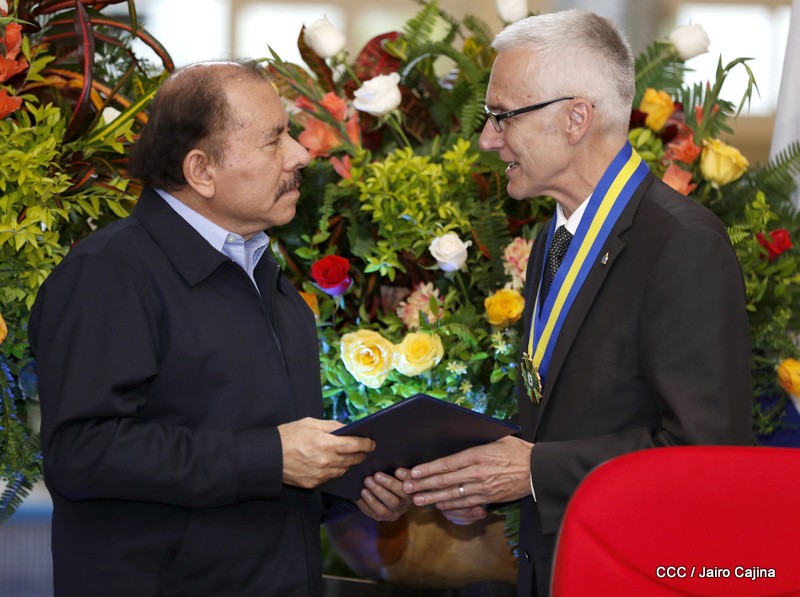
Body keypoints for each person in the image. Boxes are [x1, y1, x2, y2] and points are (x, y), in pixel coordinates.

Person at [401, 10, 751, 596]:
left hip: (638, 573)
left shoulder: (681, 244)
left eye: (502, 116)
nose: (487, 139)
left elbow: (706, 454)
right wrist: (479, 478)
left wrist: (532, 472)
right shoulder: (555, 237)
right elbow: (567, 410)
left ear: (576, 118)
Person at [28, 59, 410, 596]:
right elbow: (83, 453)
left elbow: (256, 450)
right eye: (274, 140)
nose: (301, 155)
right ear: (201, 171)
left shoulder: (263, 272)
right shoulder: (110, 272)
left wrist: (350, 485)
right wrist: (272, 457)